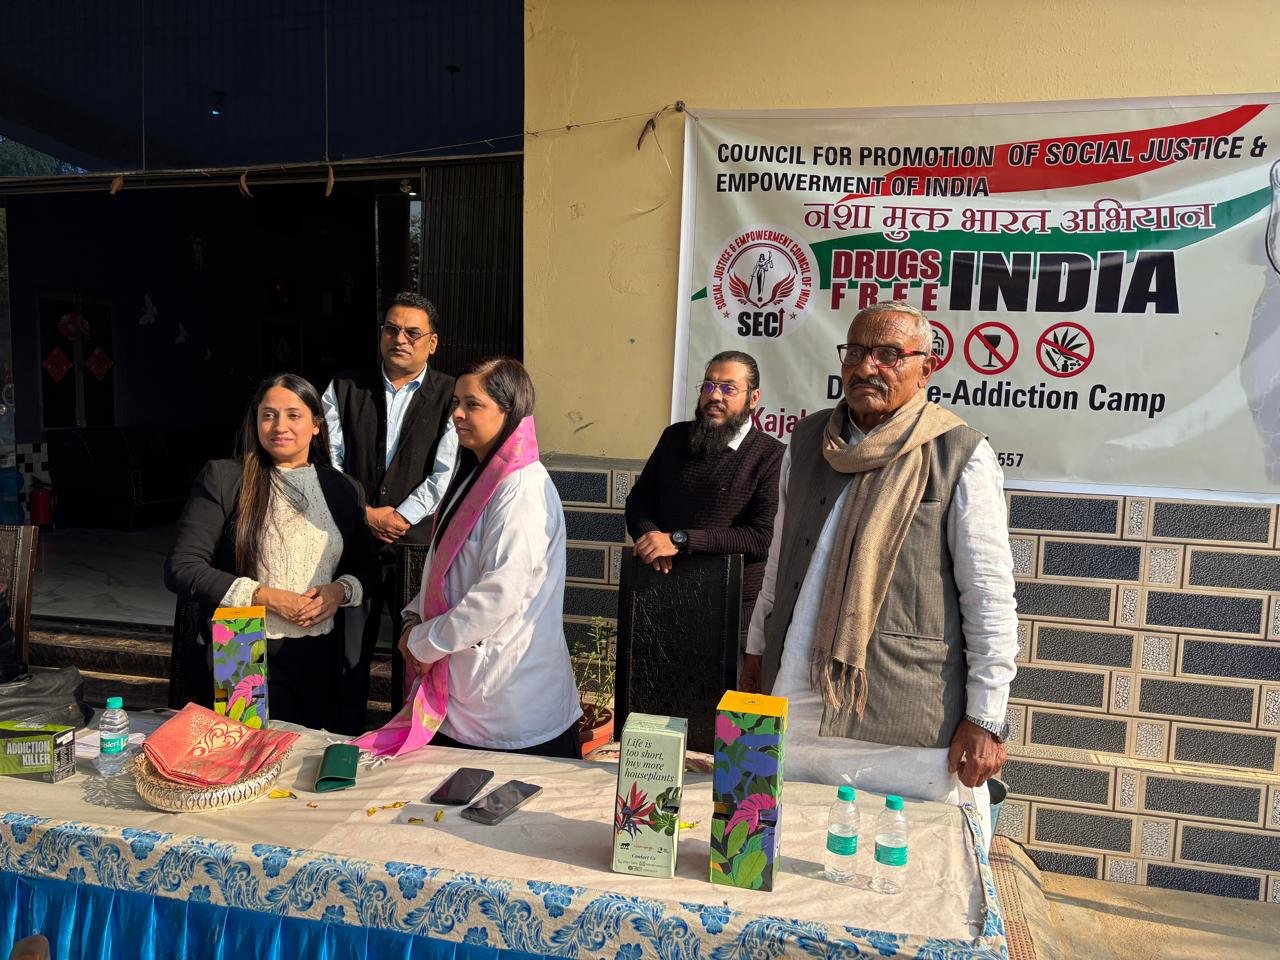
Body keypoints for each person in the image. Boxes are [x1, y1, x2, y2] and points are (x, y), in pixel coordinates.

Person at [740, 301, 1017, 840]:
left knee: (899, 866)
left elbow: (988, 599)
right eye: (856, 352)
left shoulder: (958, 454)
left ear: (925, 368)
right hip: (795, 706)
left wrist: (986, 718)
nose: (867, 367)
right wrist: (756, 653)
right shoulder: (808, 442)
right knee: (790, 851)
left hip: (902, 721)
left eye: (889, 354)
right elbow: (779, 561)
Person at [165, 373, 377, 730]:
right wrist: (266, 597)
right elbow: (182, 567)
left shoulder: (343, 488)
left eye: (294, 415)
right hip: (242, 643)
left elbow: (367, 569)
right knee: (245, 752)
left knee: (310, 752)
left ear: (316, 425)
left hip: (320, 652)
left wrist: (339, 591)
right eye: (268, 415)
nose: (280, 426)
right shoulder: (225, 478)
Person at [398, 357, 582, 758]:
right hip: (468, 695)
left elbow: (498, 594)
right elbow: (446, 568)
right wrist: (415, 616)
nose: (457, 414)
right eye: (456, 402)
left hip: (509, 704)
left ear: (508, 411)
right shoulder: (478, 475)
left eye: (472, 404)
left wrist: (424, 642)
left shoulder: (521, 489)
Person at [322, 292, 457, 734]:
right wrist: (364, 512)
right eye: (391, 329)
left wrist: (400, 517)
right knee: (348, 650)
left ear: (432, 343)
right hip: (353, 541)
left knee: (414, 649)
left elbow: (446, 470)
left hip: (415, 546)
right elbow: (330, 461)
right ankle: (342, 738)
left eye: (412, 333)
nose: (400, 339)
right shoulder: (344, 387)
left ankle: (406, 742)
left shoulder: (451, 395)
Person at [625, 351, 784, 630]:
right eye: (708, 385)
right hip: (662, 601)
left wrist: (680, 540)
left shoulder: (771, 455)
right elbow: (638, 501)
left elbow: (761, 537)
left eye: (728, 389)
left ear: (753, 398)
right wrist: (650, 537)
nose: (714, 396)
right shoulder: (674, 437)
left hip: (731, 614)